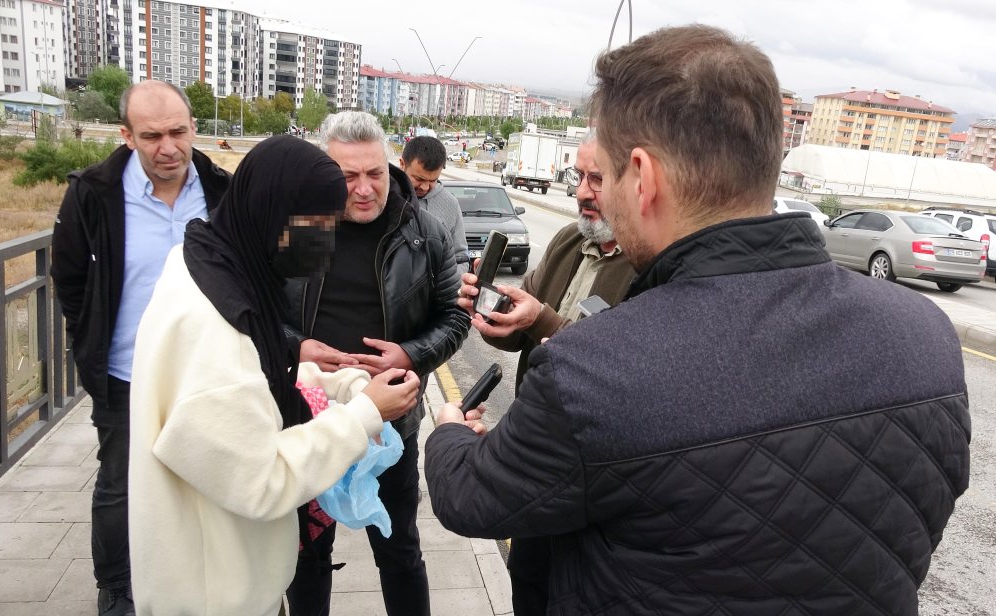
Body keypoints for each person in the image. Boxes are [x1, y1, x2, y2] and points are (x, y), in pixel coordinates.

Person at [425, 25, 971, 615]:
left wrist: (450, 433)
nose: (597, 197)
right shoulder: (926, 338)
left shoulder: (593, 372)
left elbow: (473, 499)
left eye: (605, 176)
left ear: (643, 176)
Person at [126, 136, 421, 615]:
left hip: (224, 571)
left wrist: (336, 385)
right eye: (317, 226)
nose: (324, 243)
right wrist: (364, 414)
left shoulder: (206, 261)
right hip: (215, 595)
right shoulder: (212, 328)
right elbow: (261, 480)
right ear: (274, 212)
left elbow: (249, 388)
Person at [50, 80, 232, 616]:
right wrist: (92, 345)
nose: (168, 147)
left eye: (178, 131)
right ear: (127, 135)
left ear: (194, 128)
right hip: (125, 373)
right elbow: (70, 280)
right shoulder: (93, 194)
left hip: (206, 373)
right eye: (151, 136)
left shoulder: (222, 190)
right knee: (120, 485)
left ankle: (202, 576)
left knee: (206, 478)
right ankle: (118, 587)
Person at [285, 111, 471, 616]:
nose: (365, 189)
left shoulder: (422, 233)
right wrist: (295, 347)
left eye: (373, 172)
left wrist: (411, 353)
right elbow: (262, 315)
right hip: (310, 418)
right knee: (306, 554)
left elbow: (455, 319)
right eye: (347, 176)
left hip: (390, 421)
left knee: (399, 549)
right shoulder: (308, 226)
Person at [457, 130, 635, 614]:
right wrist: (492, 314)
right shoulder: (568, 240)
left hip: (596, 476)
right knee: (527, 579)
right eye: (579, 176)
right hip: (539, 460)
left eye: (596, 179)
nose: (580, 192)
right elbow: (520, 334)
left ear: (635, 181)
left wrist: (540, 319)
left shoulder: (649, 265)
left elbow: (607, 364)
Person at [399, 135, 470, 275]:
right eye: (419, 179)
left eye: (433, 180)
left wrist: (453, 287)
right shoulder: (384, 197)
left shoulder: (450, 204)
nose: (425, 187)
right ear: (402, 164)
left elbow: (460, 257)